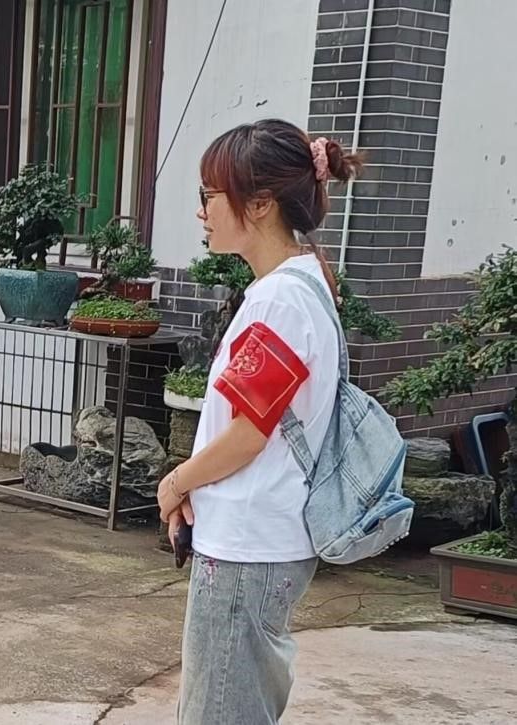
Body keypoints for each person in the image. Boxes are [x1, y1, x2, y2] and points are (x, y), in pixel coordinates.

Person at [156, 118, 361, 724]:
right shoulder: (305, 283)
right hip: (261, 540)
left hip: (248, 548)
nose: (202, 211)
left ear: (261, 203)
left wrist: (176, 482)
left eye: (210, 194)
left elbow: (249, 432)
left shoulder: (279, 300)